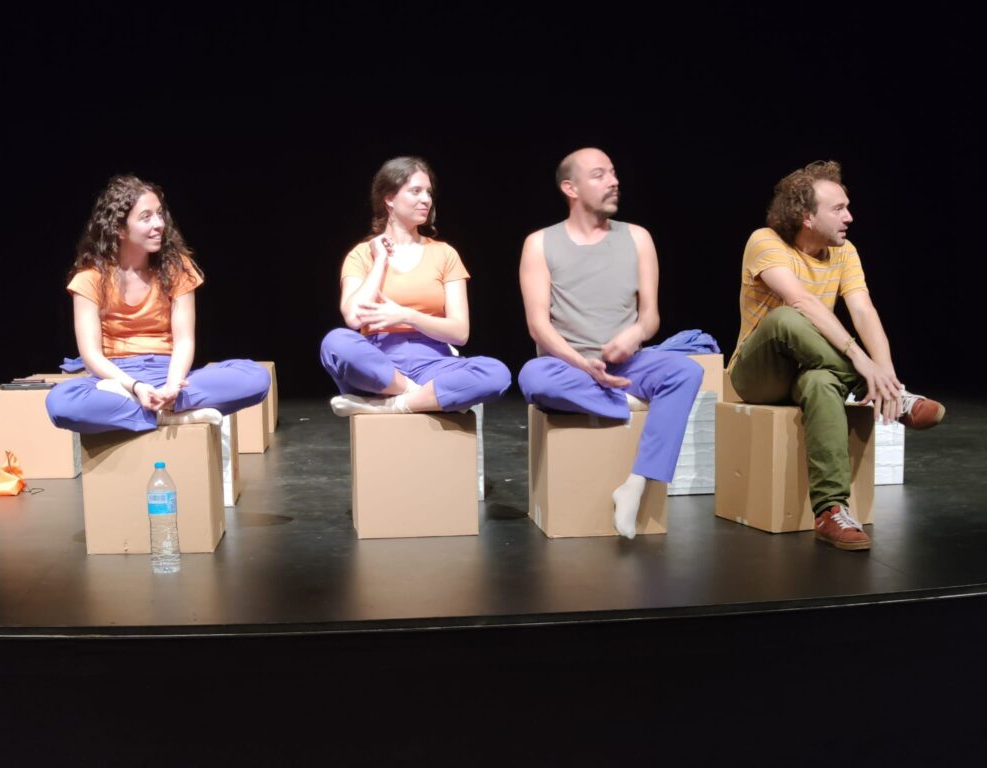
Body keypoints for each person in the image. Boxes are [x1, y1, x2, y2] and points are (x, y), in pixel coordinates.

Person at [728, 160, 945, 551]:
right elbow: (801, 301)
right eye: (839, 209)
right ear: (806, 216)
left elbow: (863, 310)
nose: (850, 217)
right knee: (785, 318)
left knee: (819, 382)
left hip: (815, 368)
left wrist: (888, 378)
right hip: (759, 374)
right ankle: (886, 395)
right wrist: (862, 363)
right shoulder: (765, 240)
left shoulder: (845, 253)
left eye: (847, 207)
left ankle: (831, 511)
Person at [517, 147, 703, 539]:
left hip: (626, 365)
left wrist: (634, 334)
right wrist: (582, 364)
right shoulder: (540, 243)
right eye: (599, 174)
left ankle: (636, 483)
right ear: (571, 188)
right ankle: (624, 402)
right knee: (533, 378)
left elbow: (650, 317)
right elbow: (538, 326)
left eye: (614, 173)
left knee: (686, 371)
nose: (613, 181)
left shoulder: (638, 237)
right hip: (568, 366)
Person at [46, 175, 270, 433]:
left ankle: (164, 406)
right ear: (119, 229)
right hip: (118, 382)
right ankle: (169, 413)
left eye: (160, 215)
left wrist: (173, 386)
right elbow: (91, 355)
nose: (159, 224)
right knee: (60, 403)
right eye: (146, 217)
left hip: (169, 372)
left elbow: (184, 340)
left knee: (256, 377)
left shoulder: (176, 268)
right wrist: (136, 387)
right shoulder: (90, 278)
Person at [320, 156, 511, 415]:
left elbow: (460, 333)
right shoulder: (361, 255)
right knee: (335, 343)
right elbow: (354, 318)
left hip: (433, 362)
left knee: (496, 374)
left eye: (428, 192)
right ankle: (418, 395)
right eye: (416, 191)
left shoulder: (444, 253)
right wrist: (380, 260)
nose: (426, 200)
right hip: (379, 365)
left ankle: (392, 405)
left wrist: (407, 316)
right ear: (389, 198)